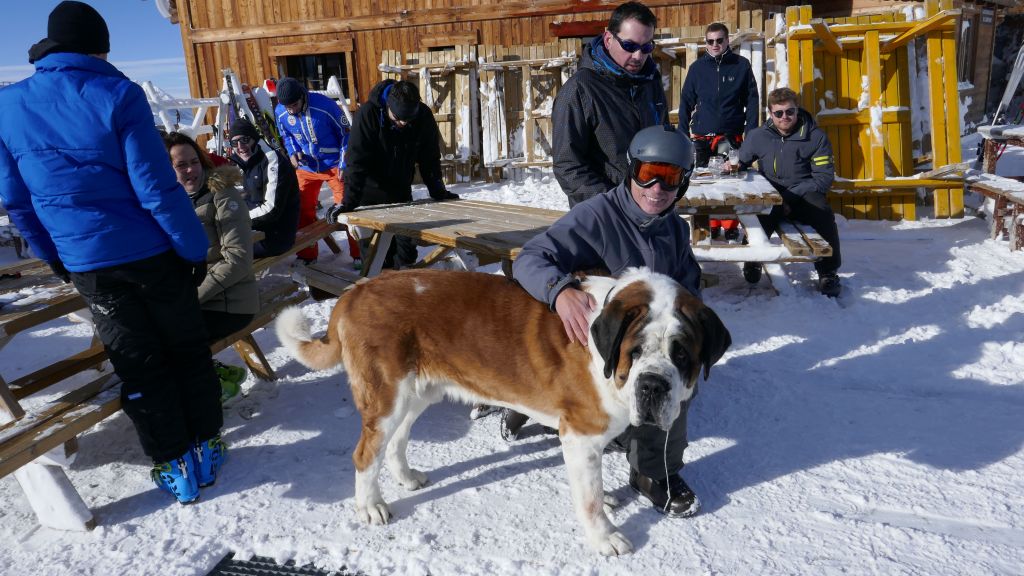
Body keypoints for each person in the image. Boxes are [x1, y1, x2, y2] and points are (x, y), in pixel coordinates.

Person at [0, 1, 225, 504]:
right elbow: (156, 188)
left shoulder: (8, 106)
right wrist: (192, 248)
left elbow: (16, 200)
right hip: (151, 253)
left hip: (88, 264)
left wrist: (56, 256)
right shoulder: (117, 92)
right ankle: (206, 445)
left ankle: (173, 465)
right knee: (186, 349)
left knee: (139, 362)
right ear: (98, 45)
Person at [513, 125, 704, 517]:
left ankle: (652, 470)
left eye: (669, 178)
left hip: (643, 339)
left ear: (683, 183)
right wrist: (560, 291)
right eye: (647, 172)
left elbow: (690, 286)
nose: (656, 188)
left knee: (674, 379)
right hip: (595, 341)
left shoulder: (674, 228)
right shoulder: (597, 216)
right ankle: (532, 399)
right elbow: (529, 259)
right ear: (630, 170)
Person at [166, 131, 258, 401]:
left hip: (231, 303)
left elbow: (238, 260)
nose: (191, 170)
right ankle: (211, 374)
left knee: (170, 340)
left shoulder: (223, 196)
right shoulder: (171, 201)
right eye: (181, 165)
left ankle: (208, 389)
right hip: (200, 298)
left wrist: (189, 299)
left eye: (194, 161)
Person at [327, 79, 459, 268]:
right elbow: (356, 162)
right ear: (388, 105)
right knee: (376, 261)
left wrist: (439, 191)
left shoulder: (422, 116)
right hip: (368, 198)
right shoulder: (368, 114)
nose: (403, 124)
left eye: (408, 120)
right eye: (397, 119)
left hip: (400, 194)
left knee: (405, 254)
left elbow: (429, 158)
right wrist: (348, 202)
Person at [551, 1, 667, 207]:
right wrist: (613, 204)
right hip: (603, 215)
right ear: (608, 39)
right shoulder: (580, 89)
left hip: (650, 206)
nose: (638, 56)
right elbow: (567, 165)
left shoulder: (650, 81)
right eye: (630, 46)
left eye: (647, 47)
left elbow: (662, 138)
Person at [737, 87, 842, 297]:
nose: (785, 117)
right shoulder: (759, 136)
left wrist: (789, 196)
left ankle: (828, 272)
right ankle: (752, 260)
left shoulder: (815, 137)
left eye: (790, 112)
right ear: (770, 113)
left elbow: (823, 177)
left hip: (803, 195)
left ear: (797, 110)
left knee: (822, 212)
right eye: (779, 113)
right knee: (756, 216)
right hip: (771, 195)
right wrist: (735, 167)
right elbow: (741, 161)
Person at [679, 22, 760, 241]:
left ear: (727, 41)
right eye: (710, 41)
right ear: (706, 42)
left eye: (719, 40)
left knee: (731, 182)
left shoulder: (741, 65)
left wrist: (750, 132)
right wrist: (682, 132)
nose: (715, 44)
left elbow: (752, 100)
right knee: (705, 184)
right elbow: (686, 100)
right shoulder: (697, 68)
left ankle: (730, 225)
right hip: (703, 136)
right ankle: (711, 224)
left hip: (730, 135)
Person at [274, 77, 350, 264]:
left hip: (333, 166)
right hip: (306, 167)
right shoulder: (281, 111)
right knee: (301, 208)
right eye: (287, 106)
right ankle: (307, 255)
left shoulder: (325, 106)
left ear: (302, 96)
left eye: (294, 104)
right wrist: (293, 152)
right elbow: (286, 134)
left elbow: (346, 134)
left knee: (347, 208)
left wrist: (343, 163)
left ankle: (358, 254)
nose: (291, 109)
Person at [227, 118, 301, 258]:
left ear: (254, 138)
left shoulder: (272, 160)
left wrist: (238, 218)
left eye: (244, 140)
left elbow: (272, 209)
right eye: (234, 142)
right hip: (259, 229)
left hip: (277, 236)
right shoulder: (248, 160)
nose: (240, 146)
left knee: (226, 250)